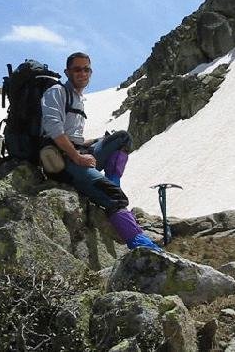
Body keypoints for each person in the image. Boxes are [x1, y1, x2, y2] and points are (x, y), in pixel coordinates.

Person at [41, 52, 161, 251]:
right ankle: (140, 246)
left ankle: (109, 185)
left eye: (86, 69)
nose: (82, 73)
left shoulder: (77, 97)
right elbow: (53, 129)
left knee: (123, 138)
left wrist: (94, 142)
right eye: (77, 69)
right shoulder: (57, 91)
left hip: (76, 152)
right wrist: (77, 157)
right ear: (67, 72)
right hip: (60, 161)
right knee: (116, 197)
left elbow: (72, 137)